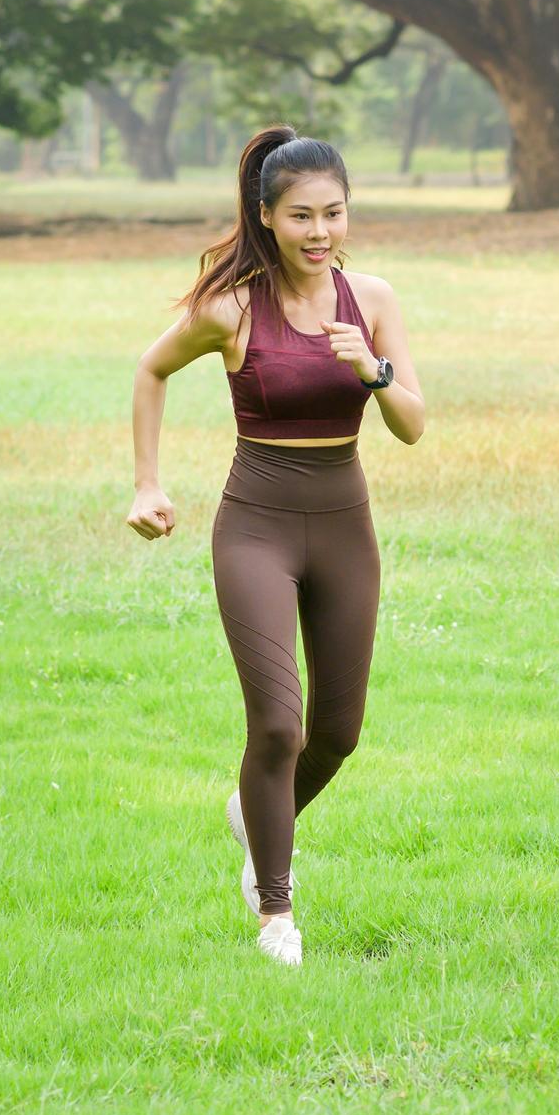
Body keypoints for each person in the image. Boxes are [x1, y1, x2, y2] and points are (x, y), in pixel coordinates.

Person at [126, 128, 426, 964]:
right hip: (255, 523)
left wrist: (371, 367)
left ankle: (252, 811)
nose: (320, 231)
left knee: (339, 731)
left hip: (344, 523)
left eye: (334, 213)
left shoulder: (372, 298)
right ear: (266, 216)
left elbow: (412, 425)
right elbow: (151, 371)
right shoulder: (232, 306)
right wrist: (148, 484)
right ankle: (277, 916)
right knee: (278, 724)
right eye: (301, 216)